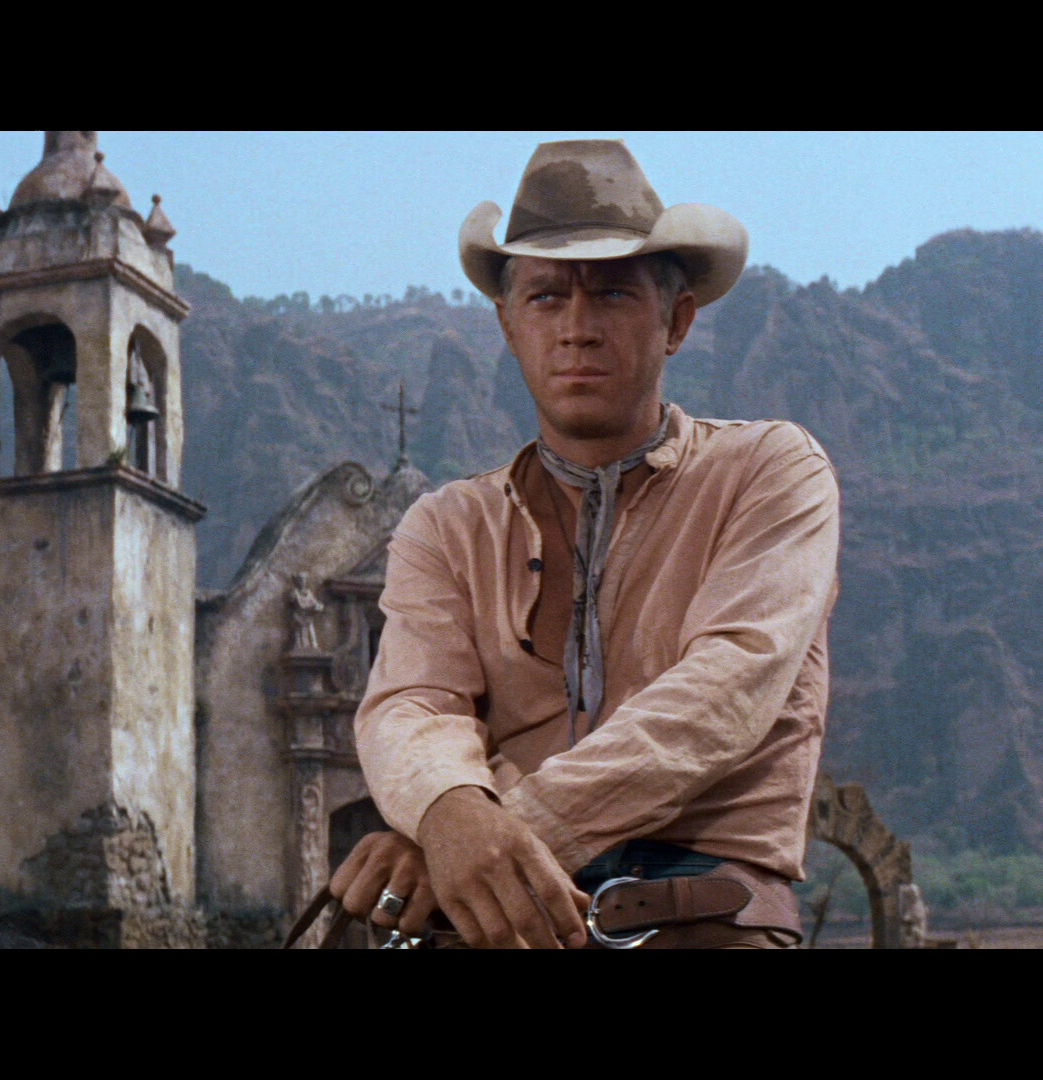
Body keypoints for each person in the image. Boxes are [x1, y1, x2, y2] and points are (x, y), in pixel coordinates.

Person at [334, 141, 838, 949]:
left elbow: (725, 690)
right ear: (508, 324)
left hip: (702, 919)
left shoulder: (769, 471)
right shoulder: (446, 526)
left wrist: (474, 839)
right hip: (501, 927)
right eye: (545, 297)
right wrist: (448, 808)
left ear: (676, 321)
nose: (576, 329)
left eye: (612, 293)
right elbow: (411, 704)